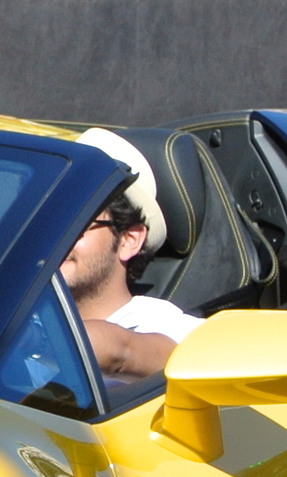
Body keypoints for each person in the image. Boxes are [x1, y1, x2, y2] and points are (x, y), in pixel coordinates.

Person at [64, 129, 200, 379]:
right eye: (48, 224)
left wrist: (52, 343)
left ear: (129, 240)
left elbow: (120, 351)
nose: (59, 239)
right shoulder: (20, 317)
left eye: (78, 226)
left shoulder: (168, 326)